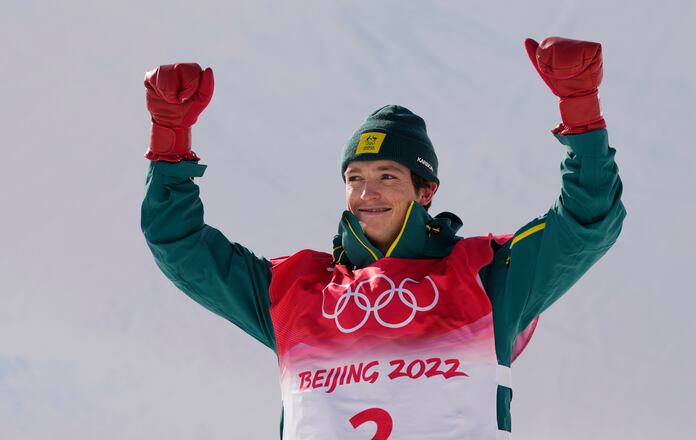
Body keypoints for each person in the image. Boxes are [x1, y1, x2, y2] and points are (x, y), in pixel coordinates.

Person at [141, 36, 626, 440]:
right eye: (354, 177)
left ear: (426, 190)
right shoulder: (292, 289)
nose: (366, 192)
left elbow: (587, 222)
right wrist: (169, 140)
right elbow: (179, 243)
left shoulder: (487, 276)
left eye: (388, 176)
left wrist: (581, 113)